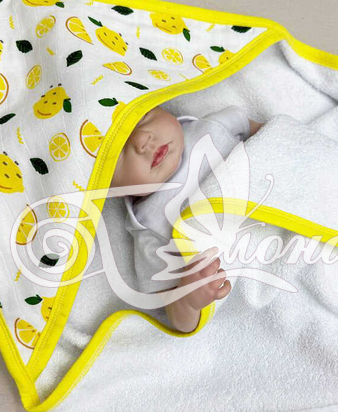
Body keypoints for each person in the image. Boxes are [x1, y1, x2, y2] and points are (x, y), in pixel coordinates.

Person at [111, 105, 264, 333]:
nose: (142, 139)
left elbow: (264, 134)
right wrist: (188, 301)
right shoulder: (149, 227)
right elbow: (174, 312)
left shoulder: (208, 127)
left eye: (141, 116)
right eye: (118, 151)